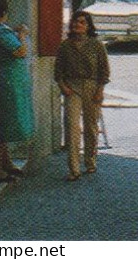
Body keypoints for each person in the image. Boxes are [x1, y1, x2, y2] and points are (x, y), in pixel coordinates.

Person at [54, 10, 110, 181]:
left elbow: (104, 71)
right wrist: (64, 87)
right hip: (73, 87)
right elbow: (58, 71)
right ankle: (74, 168)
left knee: (91, 127)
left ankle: (90, 161)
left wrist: (100, 90)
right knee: (72, 127)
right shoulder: (65, 46)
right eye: (75, 22)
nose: (77, 25)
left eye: (81, 22)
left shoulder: (96, 45)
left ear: (88, 26)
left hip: (92, 87)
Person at [0, 0, 34, 182]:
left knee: (4, 125)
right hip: (8, 84)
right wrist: (23, 34)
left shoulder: (2, 30)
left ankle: (7, 162)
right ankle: (0, 168)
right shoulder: (1, 31)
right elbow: (20, 51)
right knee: (4, 125)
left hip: (10, 82)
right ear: (4, 12)